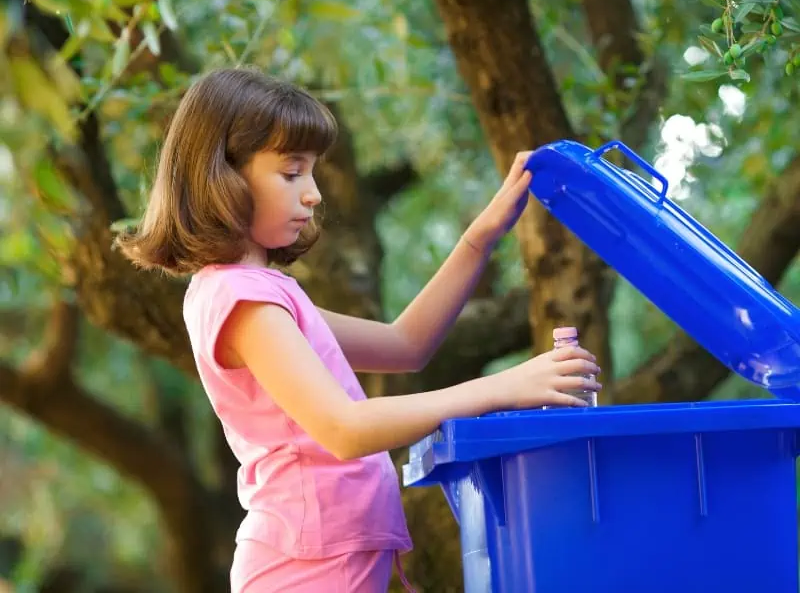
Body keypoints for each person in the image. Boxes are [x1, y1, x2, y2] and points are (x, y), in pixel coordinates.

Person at [116, 67, 602, 593]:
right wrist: (501, 388)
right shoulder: (242, 301)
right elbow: (344, 429)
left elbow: (405, 345)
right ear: (224, 175)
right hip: (304, 570)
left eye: (312, 172)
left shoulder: (263, 293)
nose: (314, 194)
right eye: (291, 173)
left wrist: (477, 241)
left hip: (325, 559)